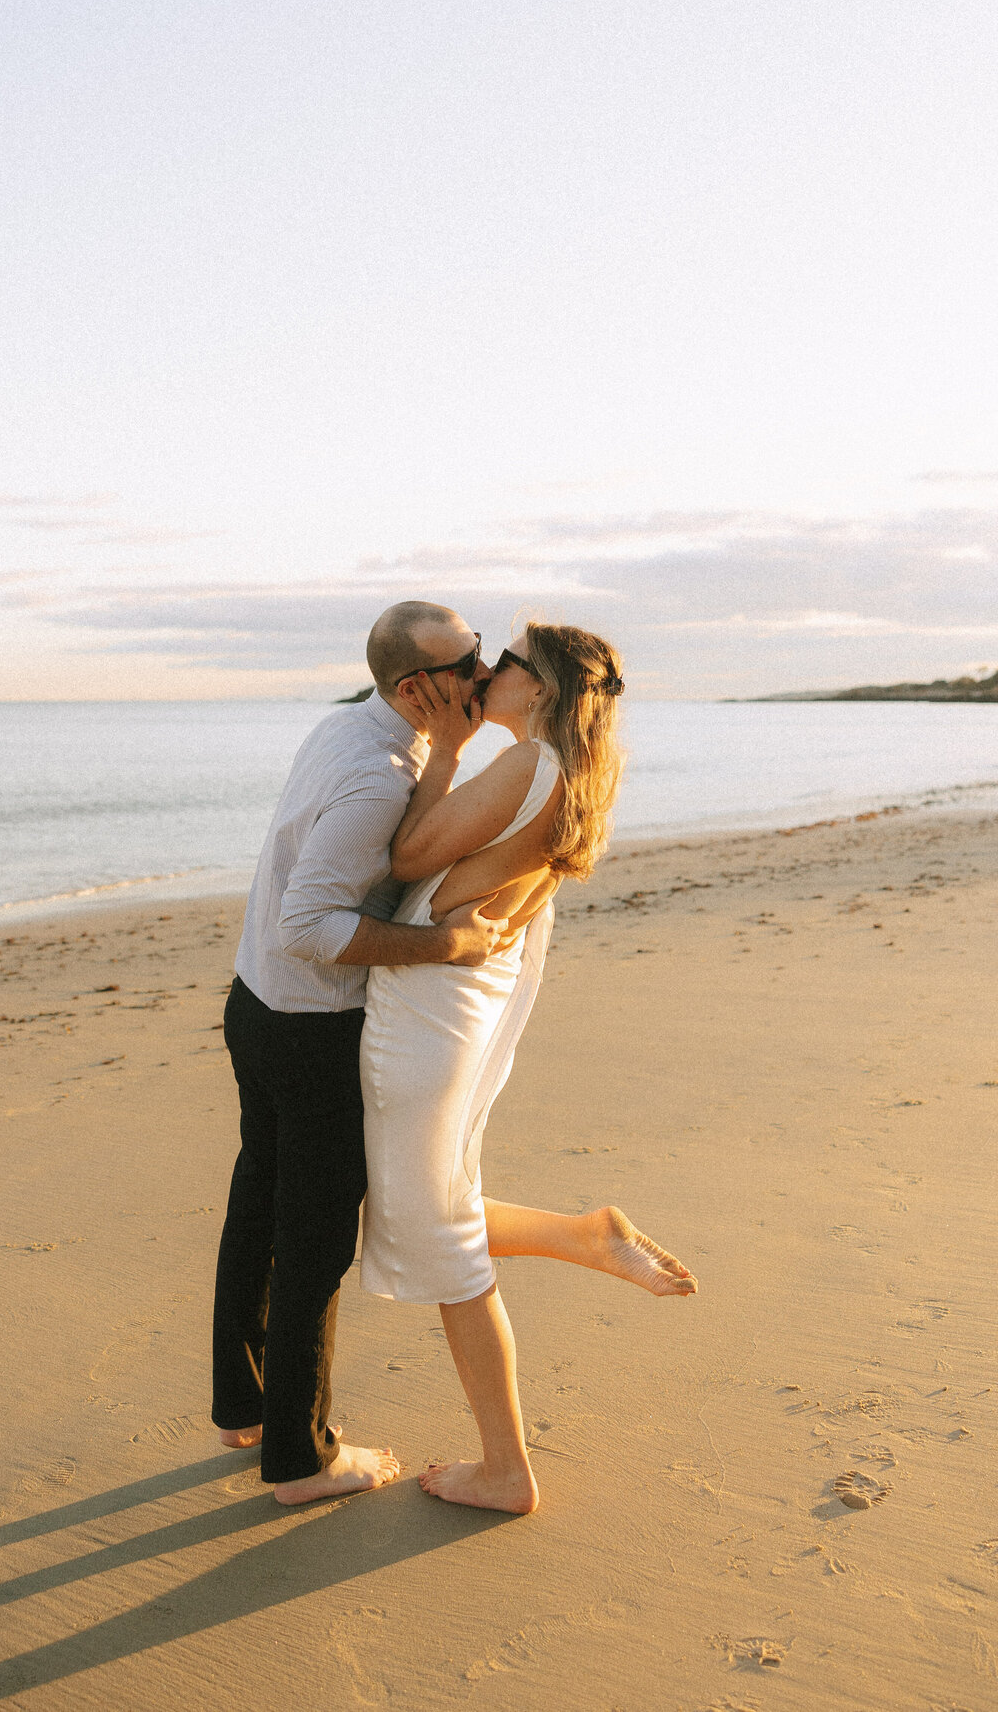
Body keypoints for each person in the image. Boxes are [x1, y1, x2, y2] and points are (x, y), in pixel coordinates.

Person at [360, 622, 697, 1515]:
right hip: (456, 1001)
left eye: (504, 661)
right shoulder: (579, 774)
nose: (487, 671)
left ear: (539, 685)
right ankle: (581, 1236)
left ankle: (507, 1468)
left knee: (435, 1236)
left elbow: (407, 856)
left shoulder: (526, 764)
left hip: (427, 1007)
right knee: (422, 1209)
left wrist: (440, 748)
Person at [211, 600, 508, 1506]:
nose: (485, 674)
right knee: (313, 1239)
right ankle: (302, 1462)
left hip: (254, 1004)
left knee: (257, 1205)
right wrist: (445, 948)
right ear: (417, 688)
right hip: (308, 1026)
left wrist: (450, 753)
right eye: (468, 665)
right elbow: (312, 925)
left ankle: (246, 1407)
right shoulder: (379, 777)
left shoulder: (352, 728)